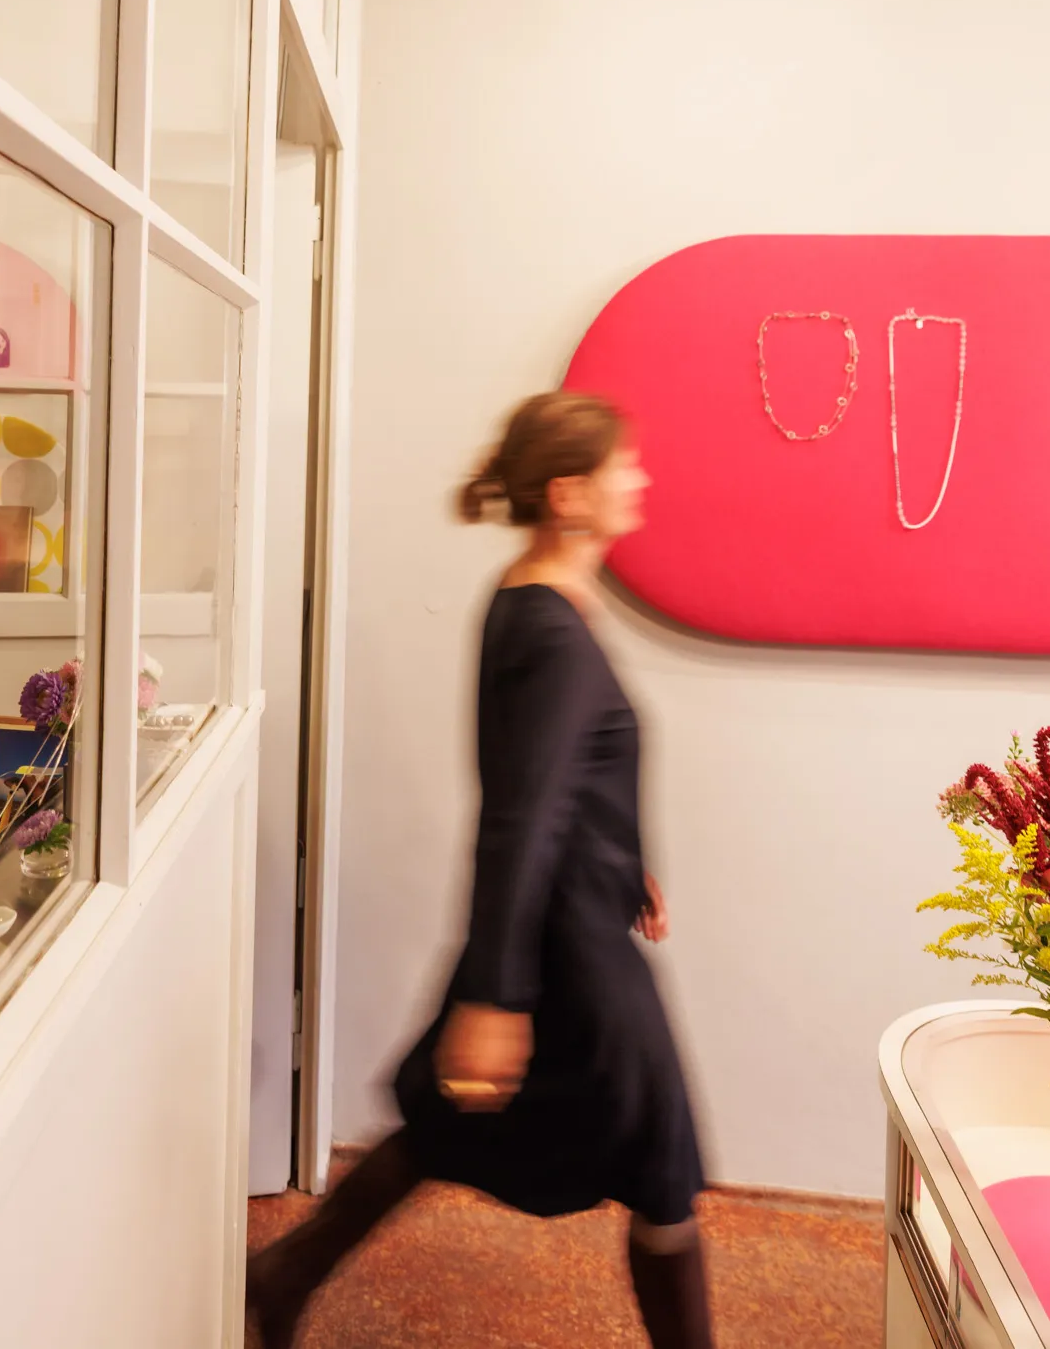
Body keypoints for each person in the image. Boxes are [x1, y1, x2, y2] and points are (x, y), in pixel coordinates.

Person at [245, 390, 711, 1349]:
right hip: (568, 945)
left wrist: (629, 863)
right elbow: (520, 818)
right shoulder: (550, 630)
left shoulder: (532, 597)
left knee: (449, 1121)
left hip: (573, 915)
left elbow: (566, 781)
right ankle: (280, 1277)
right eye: (623, 467)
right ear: (569, 494)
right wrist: (495, 997)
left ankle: (282, 1277)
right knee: (662, 1163)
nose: (641, 480)